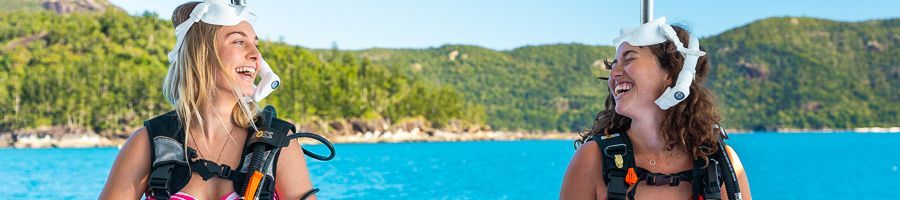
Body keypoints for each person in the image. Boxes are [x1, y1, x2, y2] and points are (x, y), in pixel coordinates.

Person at [100, 1, 333, 199]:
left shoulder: (278, 144)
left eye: (256, 44)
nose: (256, 55)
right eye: (239, 41)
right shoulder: (149, 142)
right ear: (201, 52)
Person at [560, 17, 751, 200]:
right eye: (614, 65)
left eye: (629, 59)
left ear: (671, 73)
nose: (614, 74)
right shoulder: (592, 159)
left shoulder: (721, 164)